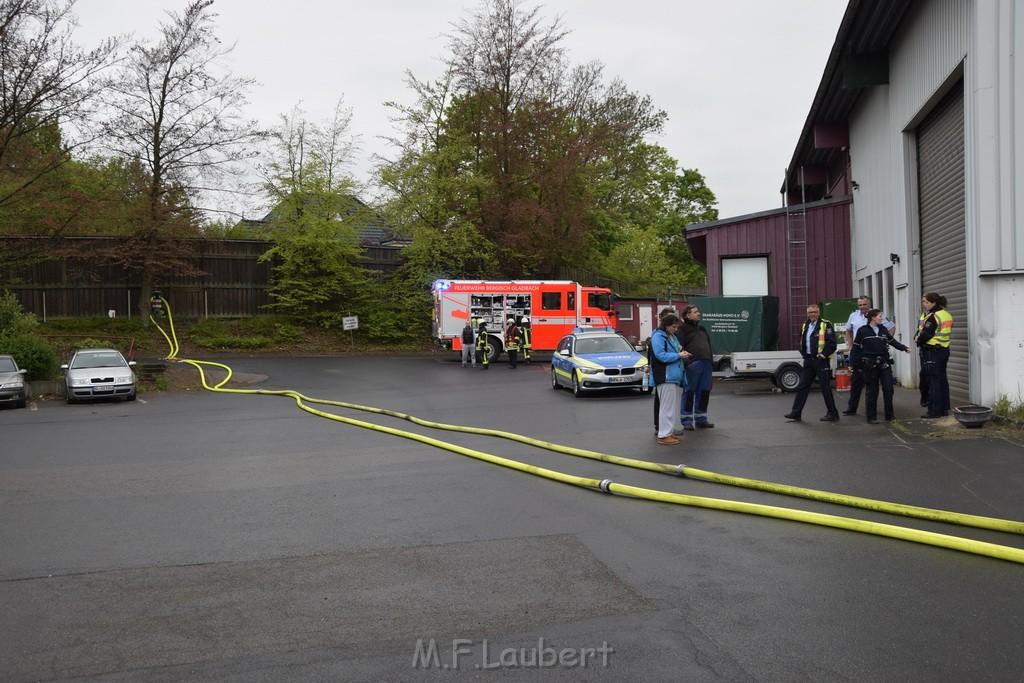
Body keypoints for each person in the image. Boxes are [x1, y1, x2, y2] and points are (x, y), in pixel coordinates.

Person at [852, 308, 912, 423]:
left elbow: (893, 342)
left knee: (888, 389)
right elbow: (855, 348)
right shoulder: (862, 331)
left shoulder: (883, 330)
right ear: (873, 318)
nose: (882, 318)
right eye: (880, 316)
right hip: (870, 364)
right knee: (872, 391)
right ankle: (871, 417)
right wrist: (852, 364)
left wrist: (904, 348)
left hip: (884, 363)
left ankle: (889, 415)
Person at [785, 304, 841, 422]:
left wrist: (822, 356)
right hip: (809, 360)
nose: (813, 314)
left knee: (825, 388)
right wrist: (804, 354)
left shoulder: (825, 325)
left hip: (821, 361)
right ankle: (796, 413)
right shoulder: (805, 325)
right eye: (811, 312)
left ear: (819, 313)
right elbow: (801, 340)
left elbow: (832, 344)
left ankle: (833, 414)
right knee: (802, 386)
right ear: (808, 313)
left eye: (815, 312)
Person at [842, 296, 894, 416]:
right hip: (859, 352)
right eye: (860, 305)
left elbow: (891, 328)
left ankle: (870, 409)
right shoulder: (853, 316)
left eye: (864, 304)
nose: (862, 307)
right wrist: (851, 346)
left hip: (872, 353)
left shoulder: (877, 315)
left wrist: (883, 342)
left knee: (871, 383)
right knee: (856, 381)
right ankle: (852, 407)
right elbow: (849, 331)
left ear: (869, 304)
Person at [649, 313, 691, 444]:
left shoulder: (671, 336)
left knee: (671, 407)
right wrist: (679, 355)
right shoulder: (658, 336)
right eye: (673, 326)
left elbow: (677, 350)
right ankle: (663, 435)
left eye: (676, 326)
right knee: (666, 407)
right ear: (666, 325)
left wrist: (682, 353)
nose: (675, 328)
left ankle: (669, 432)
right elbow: (660, 355)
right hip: (665, 376)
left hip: (673, 376)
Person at [916, 292, 953, 418]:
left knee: (933, 382)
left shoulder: (933, 317)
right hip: (943, 350)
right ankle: (944, 409)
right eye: (923, 302)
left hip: (932, 351)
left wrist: (918, 340)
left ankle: (934, 411)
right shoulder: (946, 314)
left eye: (926, 302)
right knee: (942, 380)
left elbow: (926, 335)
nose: (924, 304)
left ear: (934, 303)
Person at [677, 305, 714, 430]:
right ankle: (686, 420)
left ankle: (701, 419)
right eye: (695, 312)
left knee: (704, 392)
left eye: (698, 311)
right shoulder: (682, 329)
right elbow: (679, 347)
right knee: (689, 392)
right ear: (688, 315)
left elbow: (708, 344)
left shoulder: (702, 328)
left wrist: (711, 360)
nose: (698, 314)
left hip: (706, 363)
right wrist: (687, 363)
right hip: (693, 365)